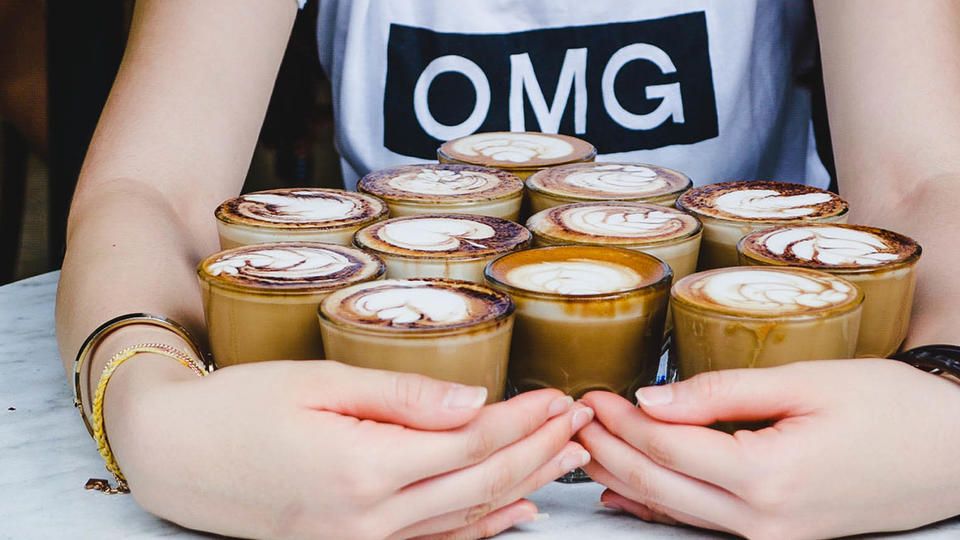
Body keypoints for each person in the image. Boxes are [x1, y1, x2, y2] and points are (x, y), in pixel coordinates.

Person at [54, 1, 960, 539]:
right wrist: (146, 410)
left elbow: (928, 180)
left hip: (764, 421)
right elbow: (151, 188)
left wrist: (948, 393)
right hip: (384, 419)